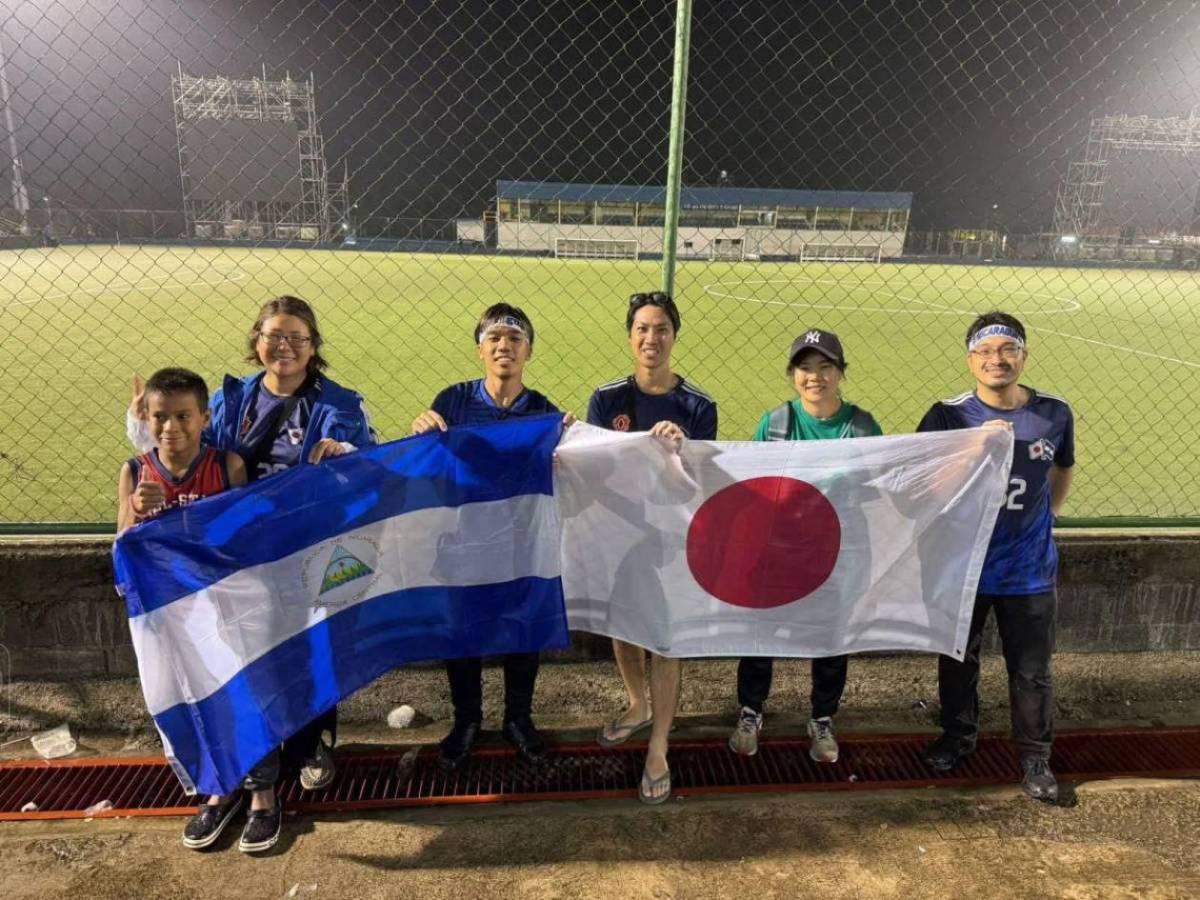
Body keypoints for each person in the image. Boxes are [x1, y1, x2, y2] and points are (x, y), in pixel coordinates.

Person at [127, 295, 376, 850]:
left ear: (313, 345)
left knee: (311, 648)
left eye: (297, 337)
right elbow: (189, 453)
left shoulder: (340, 403)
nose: (284, 346)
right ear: (256, 342)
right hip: (236, 558)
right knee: (241, 661)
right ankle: (245, 775)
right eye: (273, 336)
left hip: (308, 549)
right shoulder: (230, 397)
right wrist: (144, 433)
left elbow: (371, 464)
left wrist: (346, 455)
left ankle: (310, 746)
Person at [917, 311, 1075, 802]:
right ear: (970, 360)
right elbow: (923, 484)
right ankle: (958, 737)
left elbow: (1062, 468)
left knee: (1031, 670)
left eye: (1008, 349)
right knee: (958, 660)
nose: (997, 359)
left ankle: (1035, 757)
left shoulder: (1054, 413)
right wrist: (971, 452)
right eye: (985, 351)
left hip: (1028, 570)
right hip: (963, 567)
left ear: (1024, 356)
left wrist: (1045, 519)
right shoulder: (948, 416)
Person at [412, 302, 573, 770]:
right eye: (495, 339)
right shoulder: (453, 401)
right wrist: (421, 430)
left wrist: (571, 441)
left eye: (515, 339)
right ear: (480, 350)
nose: (505, 346)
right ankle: (466, 720)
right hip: (464, 539)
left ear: (529, 352)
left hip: (520, 543)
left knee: (524, 632)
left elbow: (566, 470)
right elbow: (429, 462)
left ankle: (518, 719)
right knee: (462, 635)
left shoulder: (544, 412)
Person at [116, 367, 257, 849]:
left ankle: (264, 795)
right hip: (171, 623)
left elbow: (243, 543)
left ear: (205, 418)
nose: (171, 427)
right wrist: (137, 512)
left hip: (223, 611)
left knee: (246, 694)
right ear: (146, 419)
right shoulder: (135, 473)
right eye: (160, 417)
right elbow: (122, 553)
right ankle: (219, 791)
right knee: (198, 702)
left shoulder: (228, 466)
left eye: (183, 416)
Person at [727, 329, 882, 764]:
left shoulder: (862, 428)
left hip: (835, 554)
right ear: (793, 374)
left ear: (840, 373)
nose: (815, 377)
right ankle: (751, 711)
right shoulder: (776, 423)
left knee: (831, 638)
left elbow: (876, 490)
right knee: (760, 635)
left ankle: (822, 717)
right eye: (805, 368)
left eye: (825, 367)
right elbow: (756, 486)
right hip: (777, 551)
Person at [588, 291, 717, 805]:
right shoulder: (607, 399)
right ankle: (637, 704)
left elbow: (700, 484)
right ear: (630, 336)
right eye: (642, 328)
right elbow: (596, 467)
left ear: (674, 336)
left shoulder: (698, 406)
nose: (651, 338)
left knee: (665, 639)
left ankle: (659, 745)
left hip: (674, 540)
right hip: (622, 532)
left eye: (661, 328)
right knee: (624, 626)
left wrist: (680, 447)